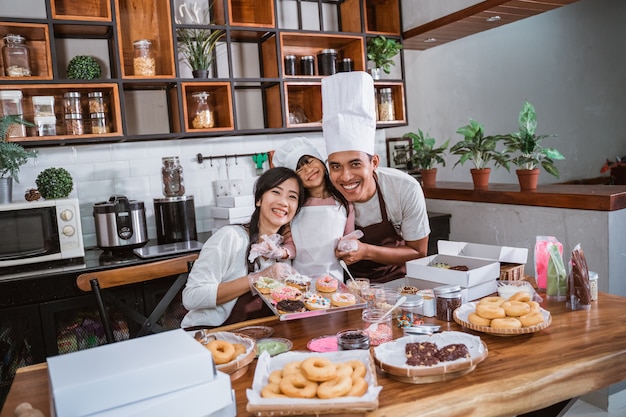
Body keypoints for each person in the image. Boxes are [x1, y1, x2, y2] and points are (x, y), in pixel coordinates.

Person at [322, 71, 431, 283]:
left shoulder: (404, 189)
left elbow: (419, 252)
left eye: (355, 164)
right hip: (341, 289)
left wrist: (366, 252)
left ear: (374, 163)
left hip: (398, 284)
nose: (345, 176)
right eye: (335, 166)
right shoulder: (322, 193)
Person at [181, 167, 305, 328]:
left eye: (292, 197)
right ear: (259, 199)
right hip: (210, 335)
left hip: (259, 336)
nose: (283, 202)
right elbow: (191, 297)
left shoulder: (282, 252)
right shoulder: (231, 237)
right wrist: (256, 278)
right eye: (276, 192)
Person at [272, 136, 355, 280]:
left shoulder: (344, 203)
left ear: (322, 162)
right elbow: (291, 246)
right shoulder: (294, 207)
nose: (308, 170)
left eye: (309, 161)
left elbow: (350, 238)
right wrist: (281, 252)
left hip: (334, 280)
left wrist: (349, 246)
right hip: (299, 280)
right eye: (299, 169)